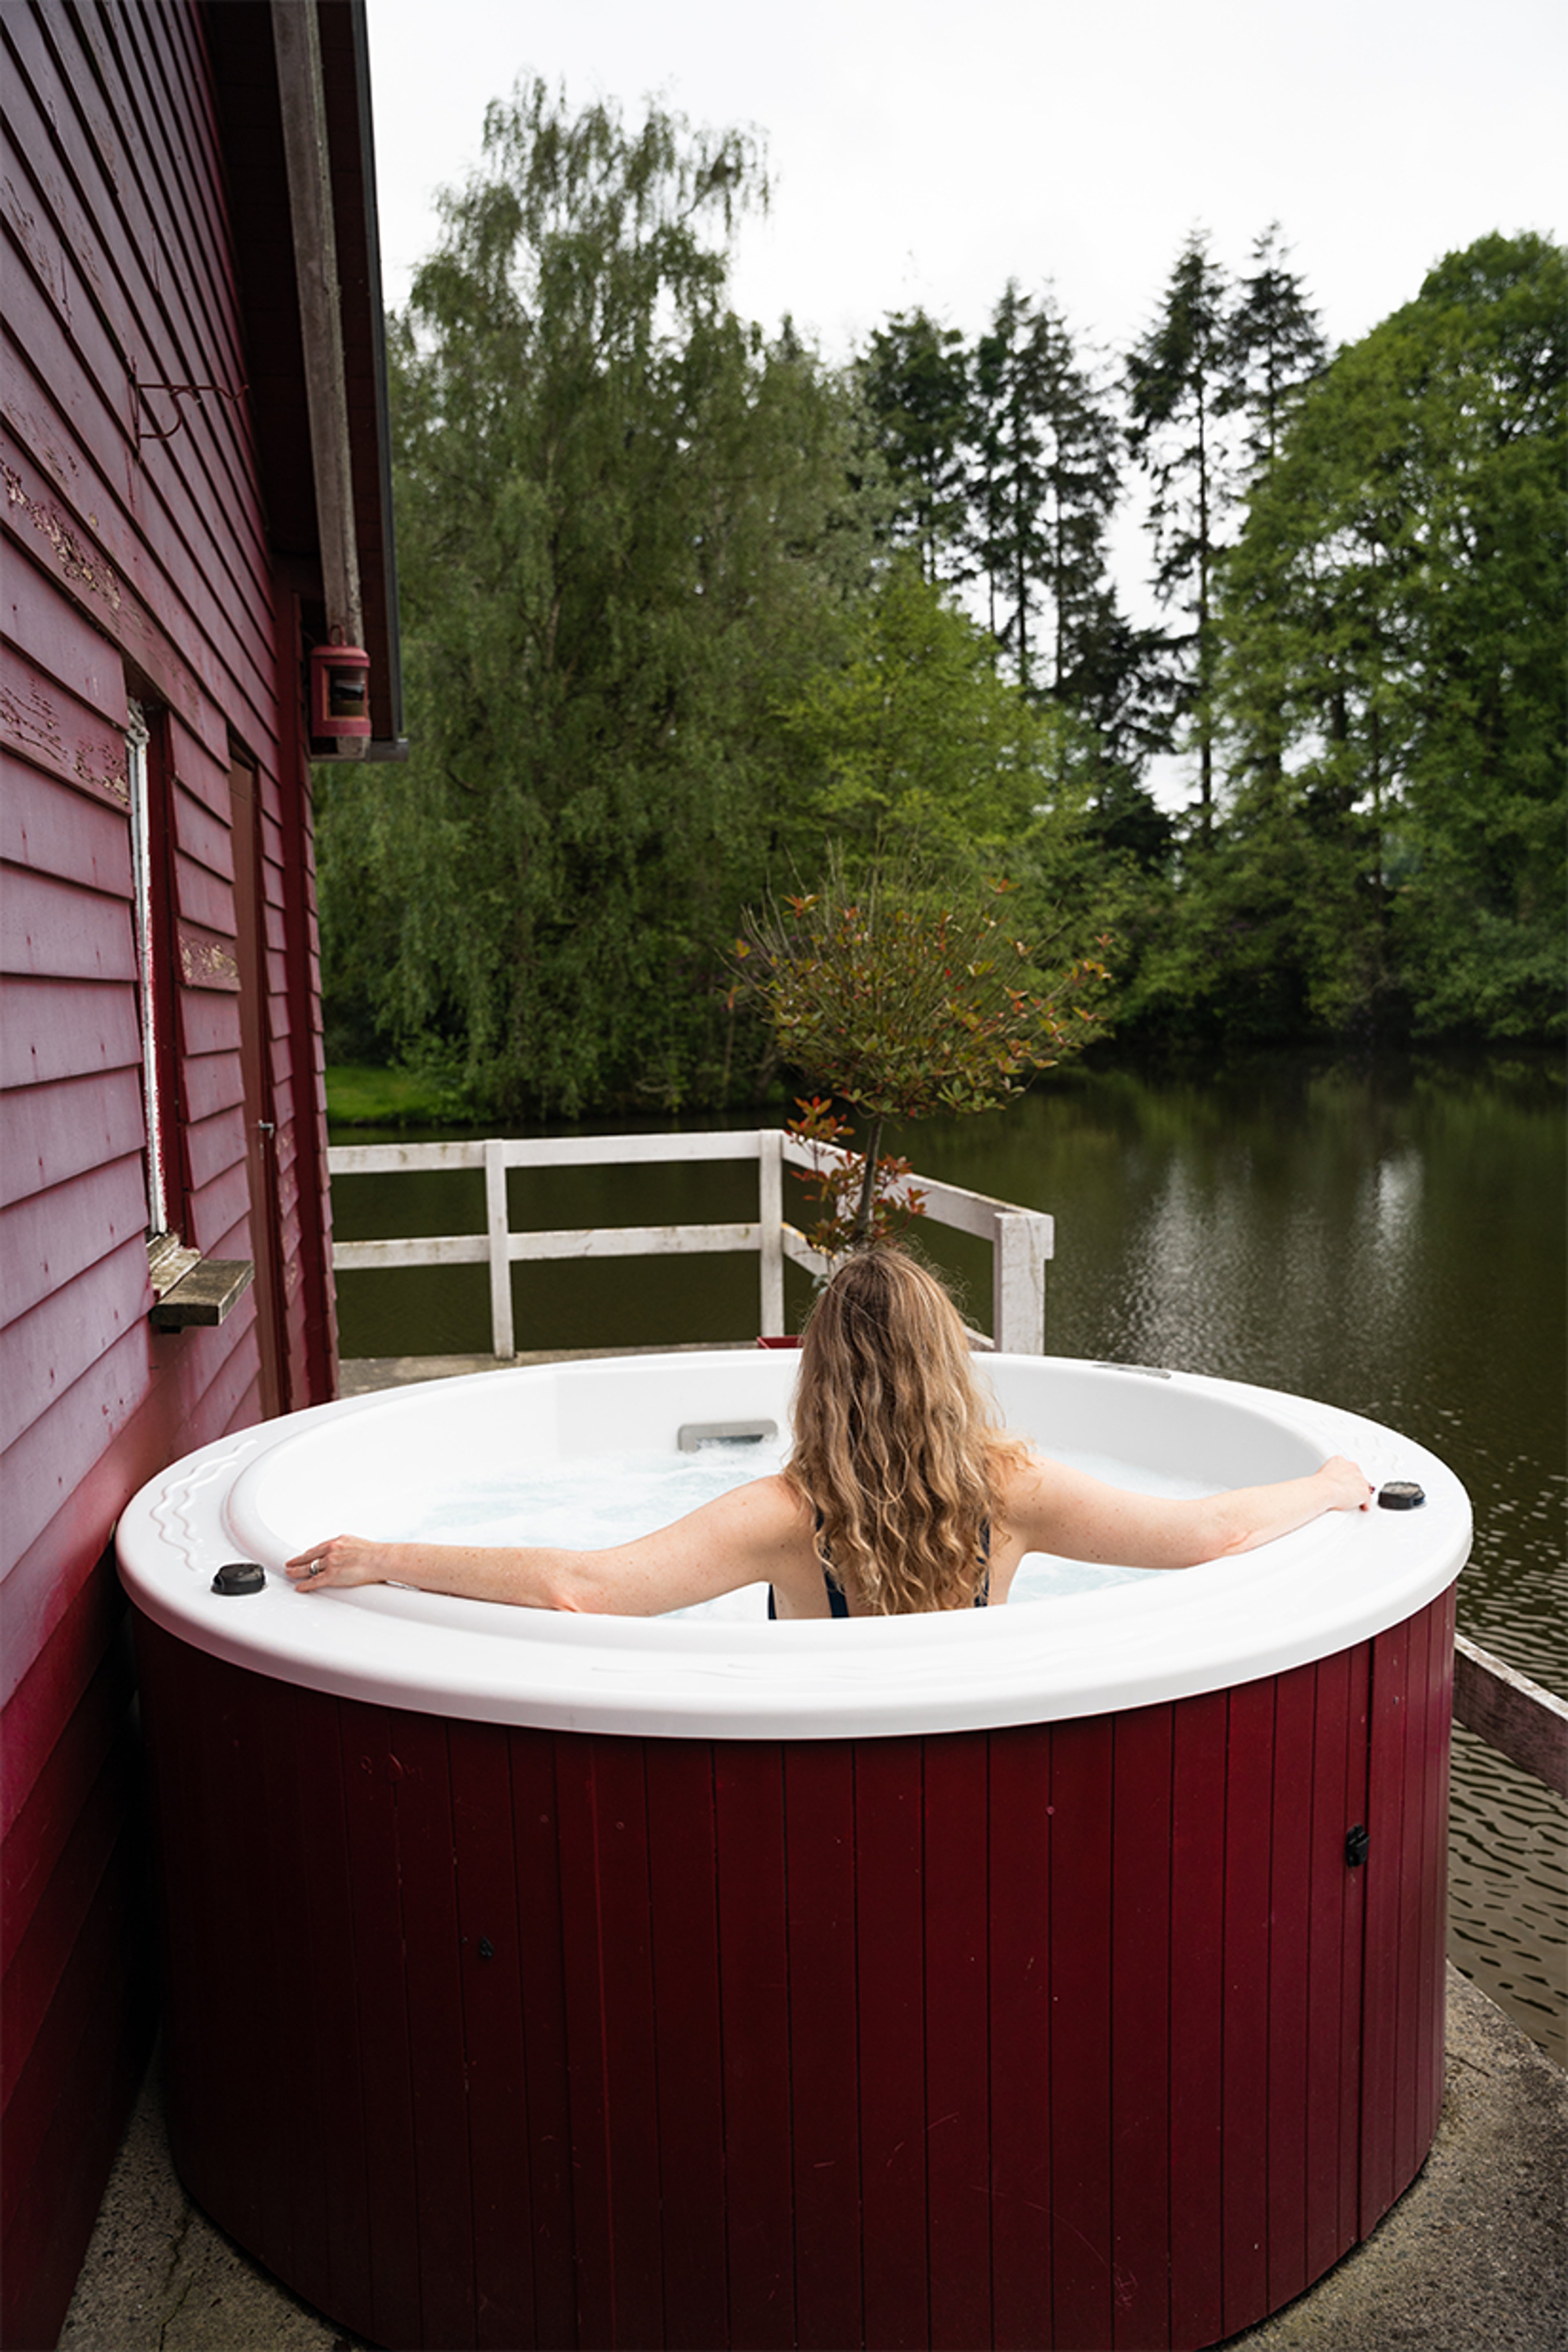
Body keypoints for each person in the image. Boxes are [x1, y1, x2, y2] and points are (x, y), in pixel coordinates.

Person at [286, 1247, 1372, 1616]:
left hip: (831, 1790)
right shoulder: (1015, 1488)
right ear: (948, 1366)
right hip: (972, 1777)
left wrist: (385, 1555)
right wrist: (1326, 1485)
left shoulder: (784, 1516)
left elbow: (586, 1586)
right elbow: (1212, 1533)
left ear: (820, 1380)